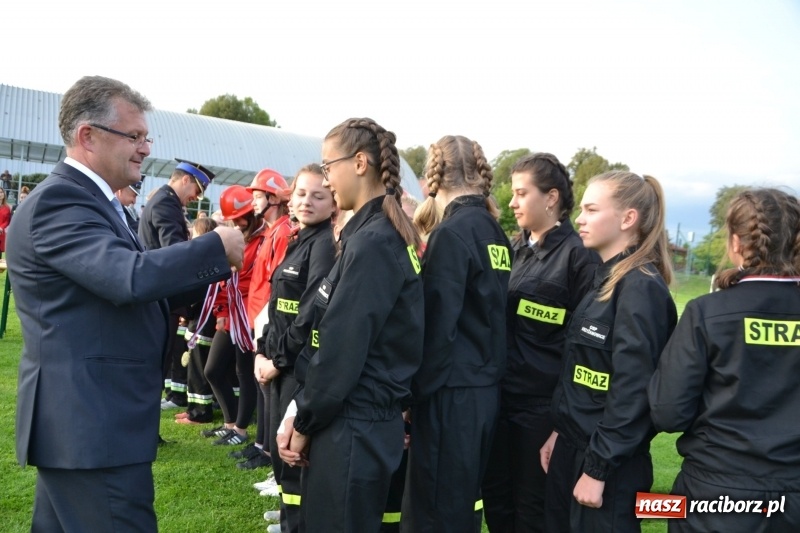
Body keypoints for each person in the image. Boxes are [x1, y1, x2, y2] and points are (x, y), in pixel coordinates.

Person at [6, 75, 244, 533]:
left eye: (145, 137)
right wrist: (214, 248)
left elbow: (132, 289)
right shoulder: (61, 201)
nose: (145, 148)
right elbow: (127, 277)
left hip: (89, 425)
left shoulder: (89, 201)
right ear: (88, 136)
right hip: (92, 426)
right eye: (134, 136)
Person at [277, 117, 424, 533]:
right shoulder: (377, 234)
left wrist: (304, 420)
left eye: (328, 166)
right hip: (358, 420)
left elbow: (342, 350)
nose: (327, 179)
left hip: (354, 424)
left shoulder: (373, 242)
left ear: (359, 163)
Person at [649, 188, 800, 533]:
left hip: (717, 498)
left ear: (735, 242)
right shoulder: (708, 312)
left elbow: (669, 411)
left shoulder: (707, 312)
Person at [540, 171, 677, 533]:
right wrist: (560, 432)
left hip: (608, 468)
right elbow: (583, 371)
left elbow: (633, 391)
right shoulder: (604, 280)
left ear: (628, 218)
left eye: (591, 209)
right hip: (572, 450)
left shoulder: (640, 289)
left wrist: (597, 469)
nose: (579, 219)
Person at [482, 153, 600, 533]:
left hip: (541, 413)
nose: (512, 203)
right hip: (499, 403)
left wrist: (560, 424)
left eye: (521, 193)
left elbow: (583, 350)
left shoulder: (580, 258)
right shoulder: (513, 250)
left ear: (551, 198)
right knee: (497, 505)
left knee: (533, 514)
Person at [400, 135, 510, 532]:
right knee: (459, 504)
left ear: (433, 178)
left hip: (450, 394)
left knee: (433, 509)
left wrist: (411, 397)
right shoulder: (494, 231)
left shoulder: (452, 233)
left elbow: (437, 330)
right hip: (484, 393)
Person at [254, 164, 338, 533]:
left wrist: (277, 359)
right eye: (301, 193)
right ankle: (290, 517)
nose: (307, 201)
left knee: (292, 454)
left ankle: (297, 524)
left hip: (294, 367)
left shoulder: (324, 245)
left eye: (318, 195)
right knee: (280, 452)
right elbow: (277, 306)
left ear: (333, 202)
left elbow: (310, 313)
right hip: (276, 361)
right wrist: (261, 350)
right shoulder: (297, 239)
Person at [139, 157, 215, 412]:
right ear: (185, 180)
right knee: (157, 363)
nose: (196, 198)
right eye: (196, 190)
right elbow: (175, 251)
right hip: (163, 298)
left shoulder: (164, 200)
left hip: (160, 296)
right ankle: (145, 421)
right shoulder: (166, 203)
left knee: (158, 362)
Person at [202, 184, 266, 446]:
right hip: (232, 313)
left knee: (244, 371)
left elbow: (253, 282)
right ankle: (231, 422)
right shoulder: (238, 237)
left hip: (248, 315)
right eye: (233, 219)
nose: (237, 223)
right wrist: (221, 310)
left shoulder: (264, 240)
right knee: (213, 370)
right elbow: (224, 278)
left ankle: (240, 429)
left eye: (240, 218)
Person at [175, 217, 220, 425]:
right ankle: (193, 408)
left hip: (203, 319)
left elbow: (196, 292)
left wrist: (186, 312)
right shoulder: (211, 258)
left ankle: (200, 412)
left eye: (194, 234)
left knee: (198, 367)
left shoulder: (206, 259)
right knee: (195, 366)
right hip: (200, 317)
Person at [0, 188, 12, 258]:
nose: (0, 194)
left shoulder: (7, 208)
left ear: (4, 194)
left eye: (1, 192)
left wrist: (1, 227)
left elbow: (7, 221)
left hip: (1, 234)